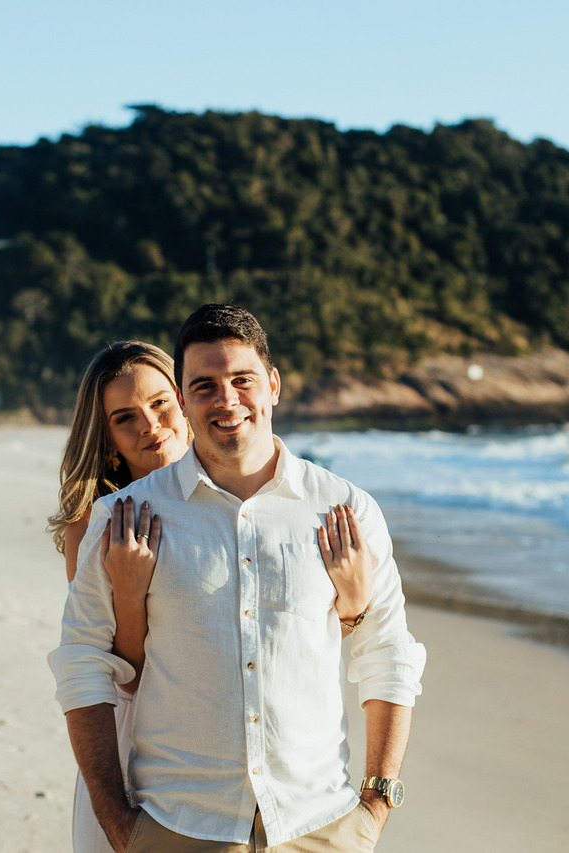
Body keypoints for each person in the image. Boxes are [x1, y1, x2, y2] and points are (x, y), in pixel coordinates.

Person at [50, 305, 426, 852]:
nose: (226, 399)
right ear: (187, 400)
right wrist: (117, 821)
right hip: (176, 823)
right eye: (204, 386)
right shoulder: (120, 519)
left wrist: (376, 802)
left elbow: (389, 654)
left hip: (318, 821)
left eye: (242, 380)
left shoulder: (346, 510)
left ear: (272, 385)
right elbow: (85, 665)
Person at [47, 340, 191, 853]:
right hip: (134, 744)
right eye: (125, 417)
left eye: (160, 404)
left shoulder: (231, 501)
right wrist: (130, 592)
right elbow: (119, 673)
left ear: (184, 401)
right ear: (108, 439)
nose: (151, 425)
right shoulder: (94, 524)